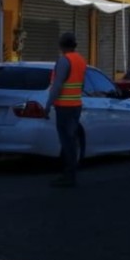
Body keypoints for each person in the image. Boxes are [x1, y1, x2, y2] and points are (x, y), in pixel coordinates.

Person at [44, 32, 87, 188]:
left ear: (61, 45)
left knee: (66, 141)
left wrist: (48, 105)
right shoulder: (81, 60)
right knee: (71, 140)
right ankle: (70, 174)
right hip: (76, 105)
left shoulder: (64, 61)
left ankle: (68, 176)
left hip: (64, 107)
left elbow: (57, 85)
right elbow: (81, 85)